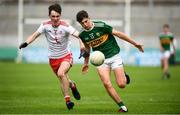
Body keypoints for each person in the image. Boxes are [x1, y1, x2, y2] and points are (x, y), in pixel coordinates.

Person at [19, 3, 85, 110]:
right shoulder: (45, 25)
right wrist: (26, 43)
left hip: (66, 56)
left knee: (61, 73)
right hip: (53, 59)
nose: (55, 18)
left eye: (57, 16)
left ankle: (68, 100)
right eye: (53, 16)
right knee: (63, 79)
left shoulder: (66, 26)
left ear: (60, 15)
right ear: (49, 16)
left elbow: (80, 36)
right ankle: (72, 85)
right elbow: (35, 35)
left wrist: (82, 47)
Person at [76, 10, 144, 112]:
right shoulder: (82, 34)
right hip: (101, 61)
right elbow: (87, 48)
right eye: (82, 23)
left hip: (114, 56)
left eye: (86, 21)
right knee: (106, 83)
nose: (85, 24)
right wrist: (86, 63)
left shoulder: (101, 26)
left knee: (122, 85)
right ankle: (122, 106)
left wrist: (135, 44)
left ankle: (124, 76)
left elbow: (119, 34)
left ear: (89, 18)